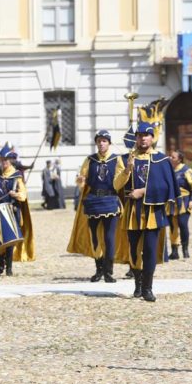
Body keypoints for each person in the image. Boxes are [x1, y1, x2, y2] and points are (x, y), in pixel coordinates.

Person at [114, 123, 177, 302]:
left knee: (149, 250)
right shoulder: (125, 158)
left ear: (152, 138)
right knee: (134, 250)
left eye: (147, 135)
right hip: (132, 211)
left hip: (153, 211)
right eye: (140, 135)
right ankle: (137, 284)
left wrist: (143, 192)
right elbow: (116, 185)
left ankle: (148, 287)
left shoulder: (162, 160)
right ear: (136, 138)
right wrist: (127, 169)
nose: (143, 138)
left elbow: (167, 186)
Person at [67, 130, 124, 283]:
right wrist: (80, 181)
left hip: (110, 199)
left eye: (104, 140)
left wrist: (128, 170)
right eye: (99, 140)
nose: (101, 143)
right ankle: (98, 269)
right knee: (95, 238)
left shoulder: (117, 160)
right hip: (93, 201)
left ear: (109, 143)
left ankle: (108, 271)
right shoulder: (90, 160)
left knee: (109, 238)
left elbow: (121, 181)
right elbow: (82, 181)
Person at [0, 144, 34, 276]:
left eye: (6, 160)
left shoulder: (16, 175)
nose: (3, 162)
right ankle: (1, 265)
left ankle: (9, 267)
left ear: (11, 161)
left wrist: (16, 194)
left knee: (9, 240)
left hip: (11, 210)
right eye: (2, 159)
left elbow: (23, 194)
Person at [167, 150, 192, 260]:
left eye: (172, 157)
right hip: (171, 202)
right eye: (170, 156)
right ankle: (174, 251)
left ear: (179, 159)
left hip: (184, 201)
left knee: (182, 224)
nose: (170, 158)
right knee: (173, 226)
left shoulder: (186, 170)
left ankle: (185, 250)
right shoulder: (168, 170)